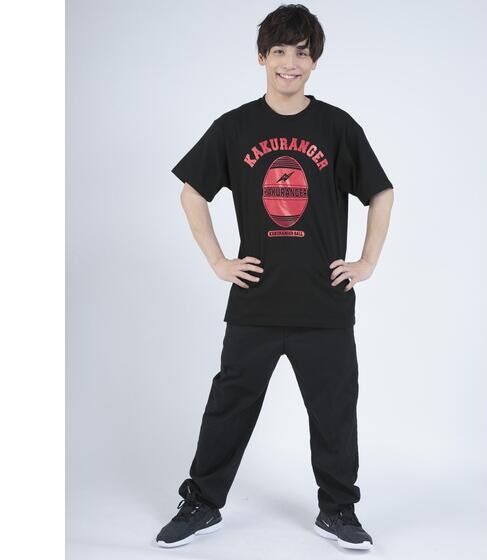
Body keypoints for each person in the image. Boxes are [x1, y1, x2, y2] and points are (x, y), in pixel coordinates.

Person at [156, 3, 394, 552]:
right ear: (262, 56)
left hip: (324, 303)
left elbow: (381, 192)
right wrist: (219, 261)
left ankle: (338, 509)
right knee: (229, 408)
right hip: (255, 302)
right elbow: (191, 193)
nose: (291, 63)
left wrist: (366, 262)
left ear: (315, 62)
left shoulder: (337, 127)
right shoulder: (235, 126)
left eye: (302, 53)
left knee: (334, 413)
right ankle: (202, 502)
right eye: (280, 51)